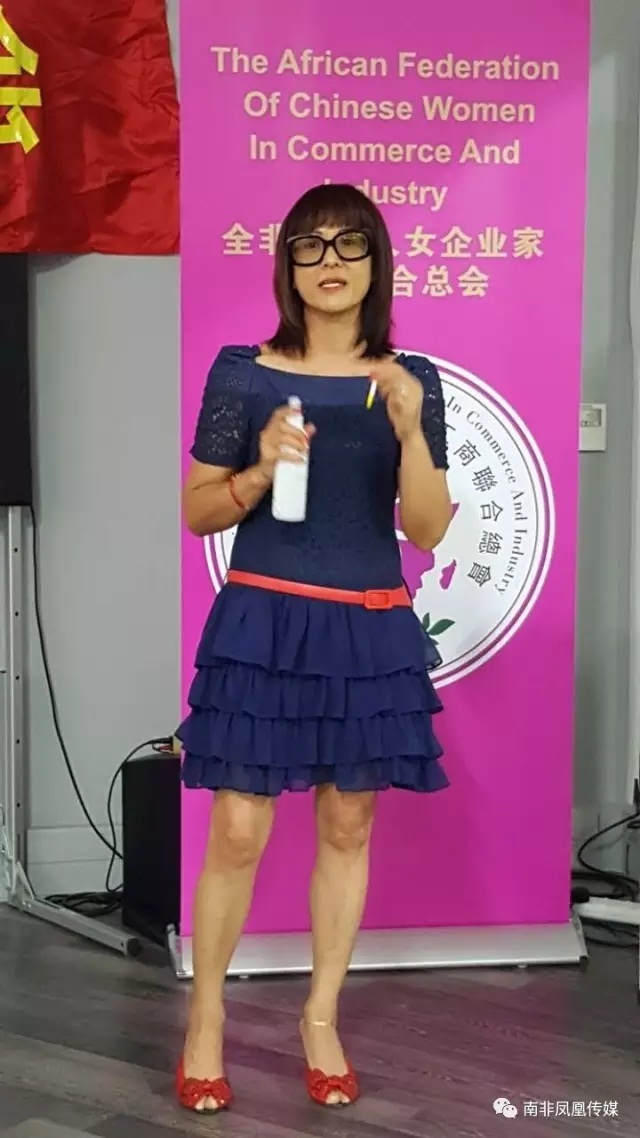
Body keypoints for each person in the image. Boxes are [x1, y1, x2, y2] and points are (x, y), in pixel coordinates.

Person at [176, 183, 452, 1114]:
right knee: (238, 830)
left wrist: (410, 430)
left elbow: (428, 530)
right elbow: (198, 511)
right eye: (310, 245)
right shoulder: (242, 373)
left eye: (349, 243)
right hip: (265, 622)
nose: (330, 261)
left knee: (347, 827)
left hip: (367, 624)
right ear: (287, 266)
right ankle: (206, 1019)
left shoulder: (411, 380)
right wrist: (261, 466)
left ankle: (320, 1018)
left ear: (376, 261)